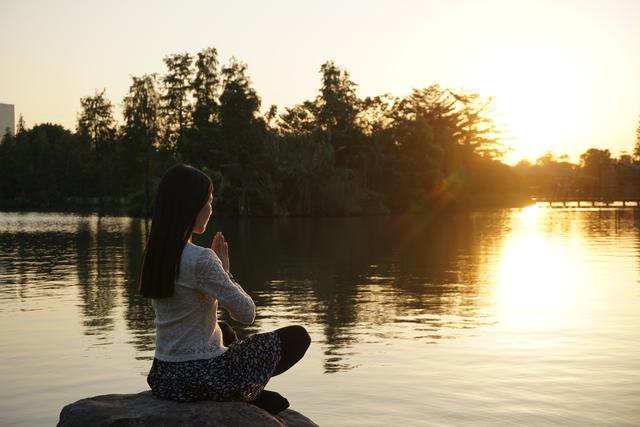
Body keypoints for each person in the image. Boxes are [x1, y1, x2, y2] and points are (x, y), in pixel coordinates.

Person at [138, 163, 311, 414]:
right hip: (199, 378)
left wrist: (217, 275)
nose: (210, 209)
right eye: (207, 201)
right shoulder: (200, 259)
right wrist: (225, 272)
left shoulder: (156, 253)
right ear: (190, 206)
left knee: (225, 332)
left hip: (164, 376)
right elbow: (246, 313)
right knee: (298, 337)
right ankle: (240, 392)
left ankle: (244, 391)